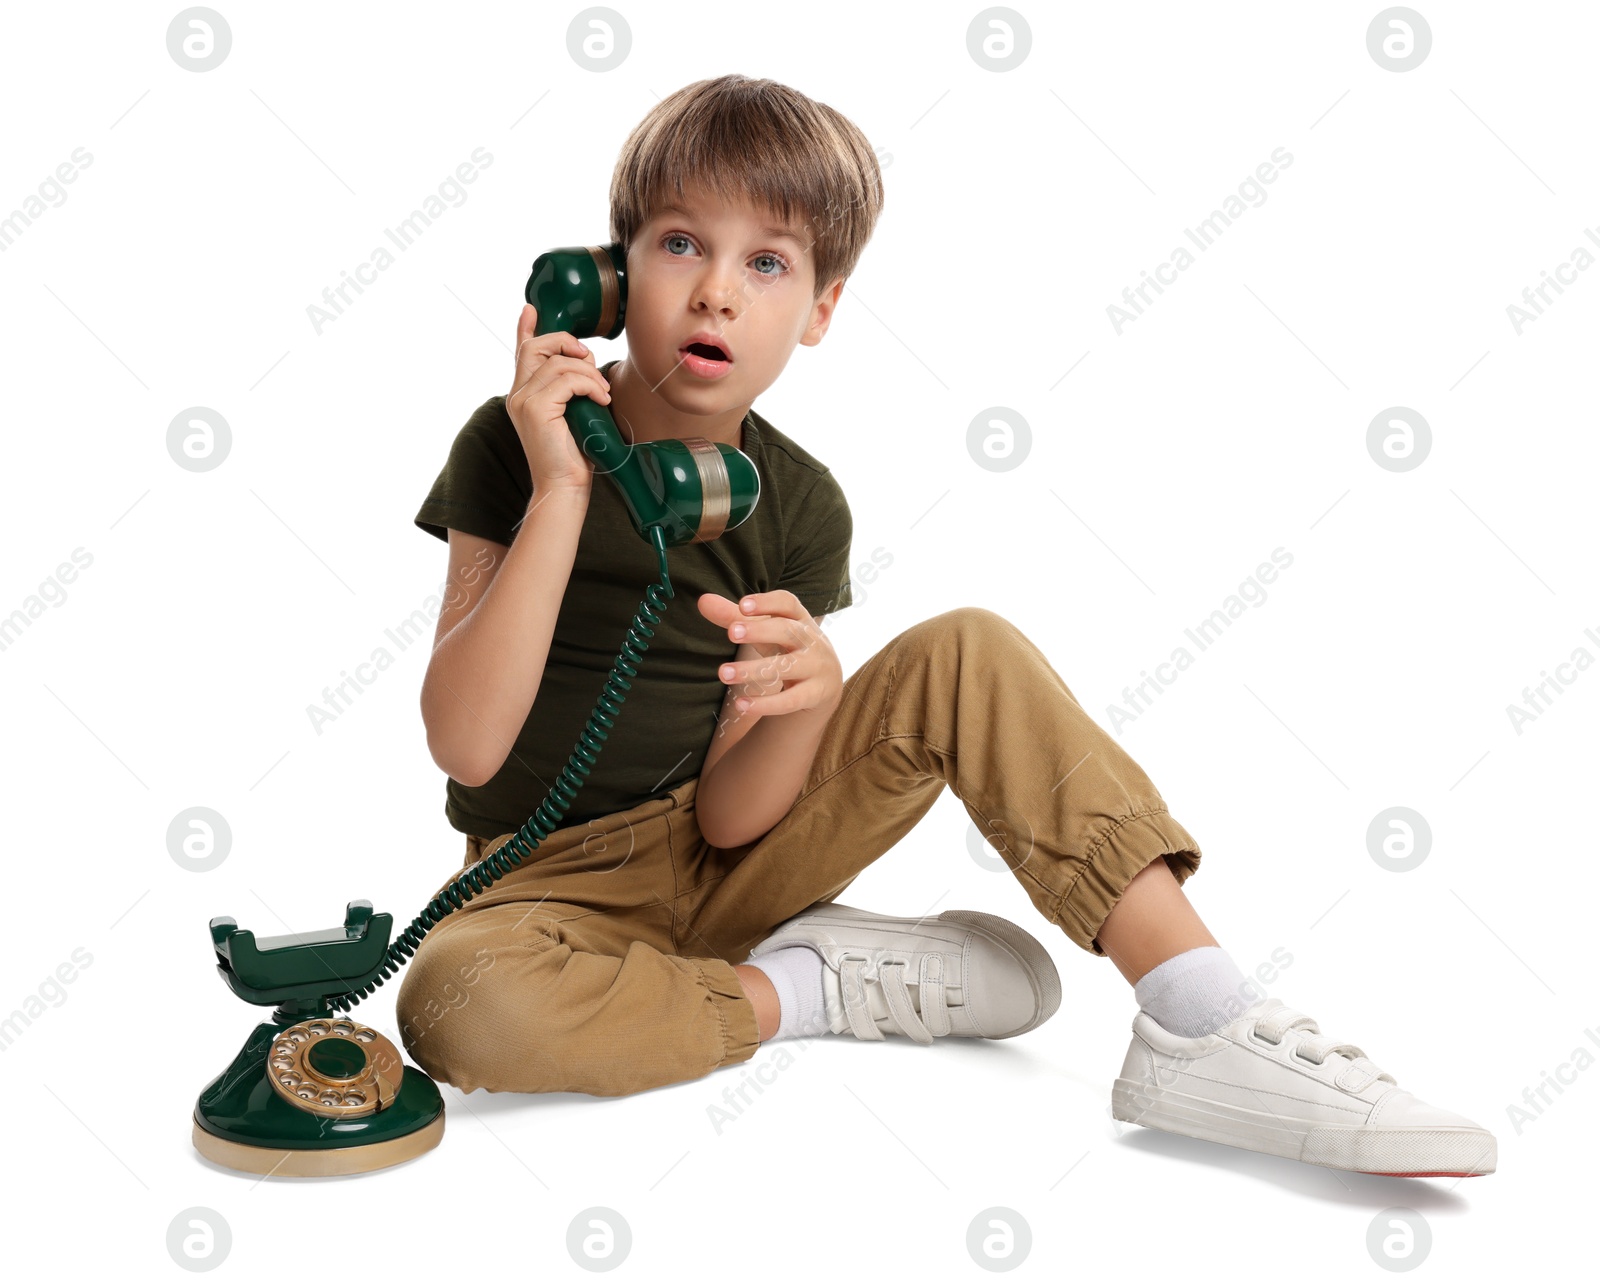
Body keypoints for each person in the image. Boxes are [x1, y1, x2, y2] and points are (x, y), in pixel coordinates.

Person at [395, 73, 1495, 1180]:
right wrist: (561, 488)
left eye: (767, 262)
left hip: (721, 860)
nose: (716, 293)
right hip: (541, 890)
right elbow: (468, 744)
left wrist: (807, 706)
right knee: (453, 1008)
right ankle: (810, 984)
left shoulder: (800, 503)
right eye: (682, 244)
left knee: (968, 646)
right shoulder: (510, 443)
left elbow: (732, 820)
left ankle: (1200, 1015)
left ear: (820, 309)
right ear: (607, 272)